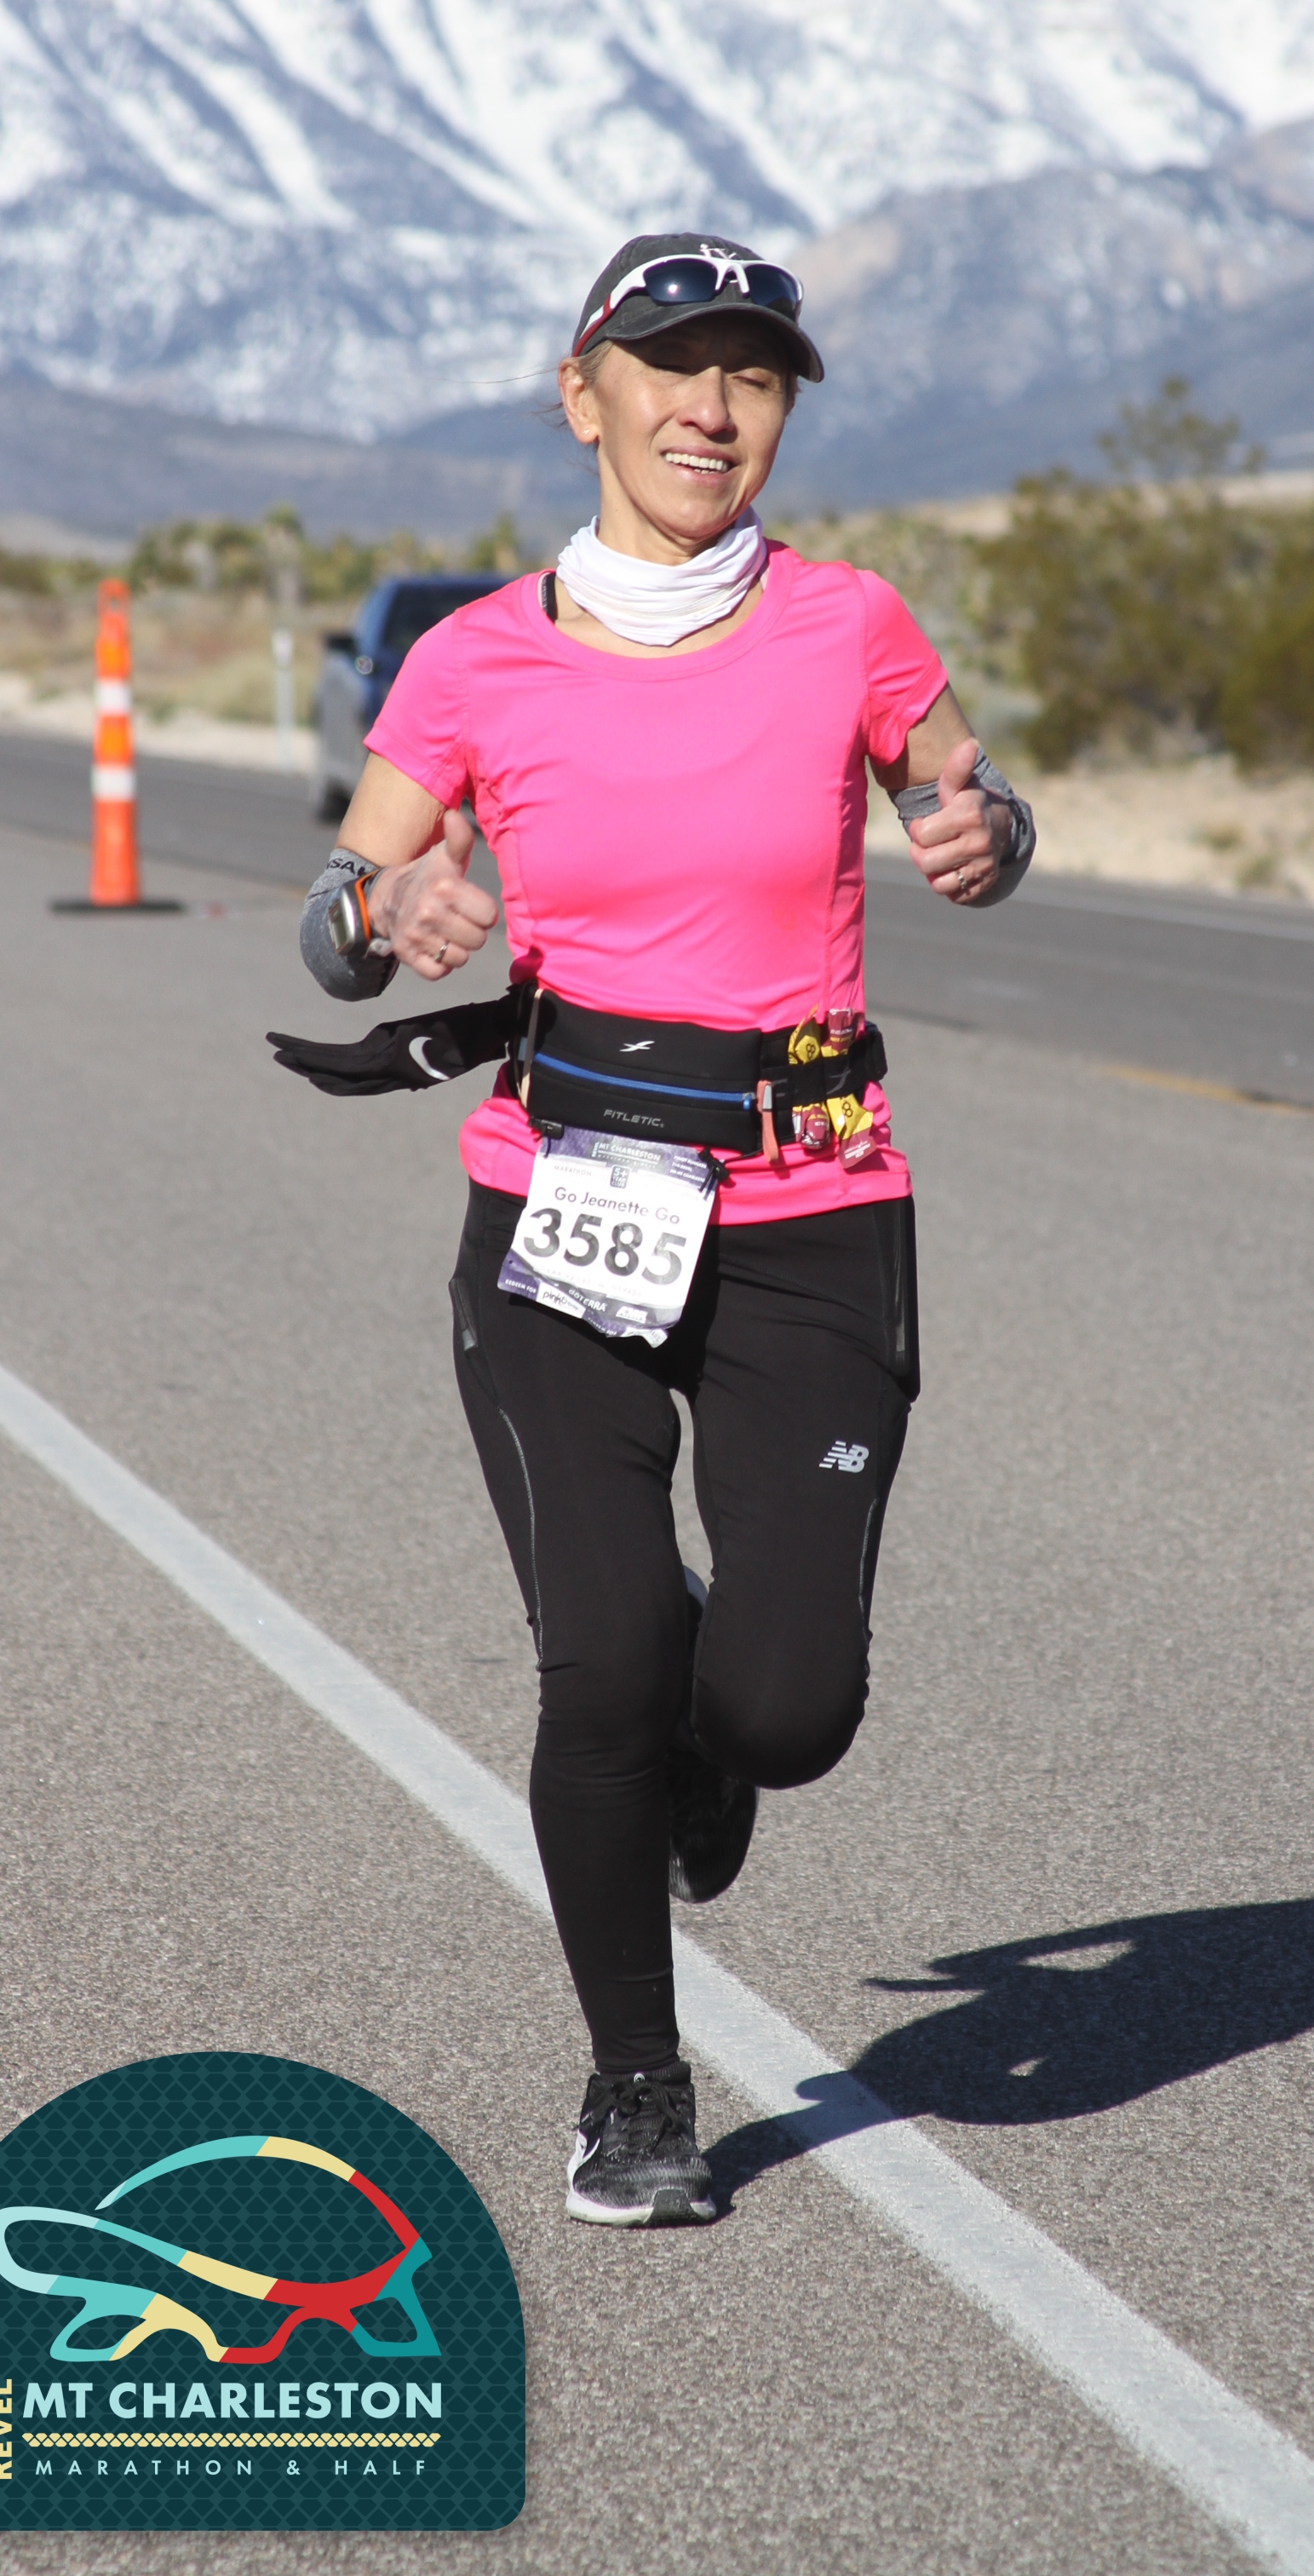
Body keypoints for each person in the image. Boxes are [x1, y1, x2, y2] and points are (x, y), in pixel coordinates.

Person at [284, 233, 1035, 2225]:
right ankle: (636, 2087)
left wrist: (989, 831)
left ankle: (709, 1736)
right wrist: (389, 910)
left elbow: (975, 795)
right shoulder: (475, 661)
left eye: (753, 376)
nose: (711, 408)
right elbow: (337, 918)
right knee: (602, 1667)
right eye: (673, 367)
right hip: (567, 1207)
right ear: (584, 394)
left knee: (783, 1712)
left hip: (813, 1208)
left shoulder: (852, 624)